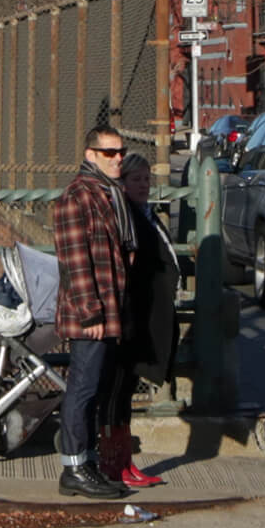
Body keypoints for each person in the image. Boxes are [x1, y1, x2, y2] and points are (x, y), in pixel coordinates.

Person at [52, 125, 134, 499]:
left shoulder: (108, 193)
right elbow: (74, 260)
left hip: (109, 309)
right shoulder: (77, 197)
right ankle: (73, 467)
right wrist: (91, 314)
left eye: (121, 152)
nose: (118, 158)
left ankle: (86, 462)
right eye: (109, 153)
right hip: (91, 313)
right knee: (82, 388)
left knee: (95, 387)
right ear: (90, 155)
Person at [99, 151, 180, 488]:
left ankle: (125, 463)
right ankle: (112, 465)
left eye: (147, 179)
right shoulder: (125, 217)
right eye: (137, 179)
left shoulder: (145, 214)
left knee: (128, 390)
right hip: (128, 317)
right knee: (115, 391)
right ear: (122, 183)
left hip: (146, 315)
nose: (144, 185)